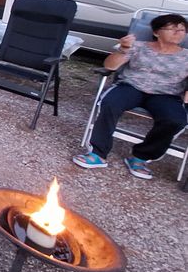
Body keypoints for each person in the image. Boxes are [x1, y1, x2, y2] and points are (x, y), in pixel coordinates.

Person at [73, 13, 188, 180]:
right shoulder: (138, 46)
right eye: (173, 28)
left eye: (182, 30)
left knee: (176, 120)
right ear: (156, 32)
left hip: (167, 94)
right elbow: (109, 66)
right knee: (110, 103)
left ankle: (140, 157)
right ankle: (98, 153)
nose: (179, 33)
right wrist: (124, 49)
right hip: (131, 87)